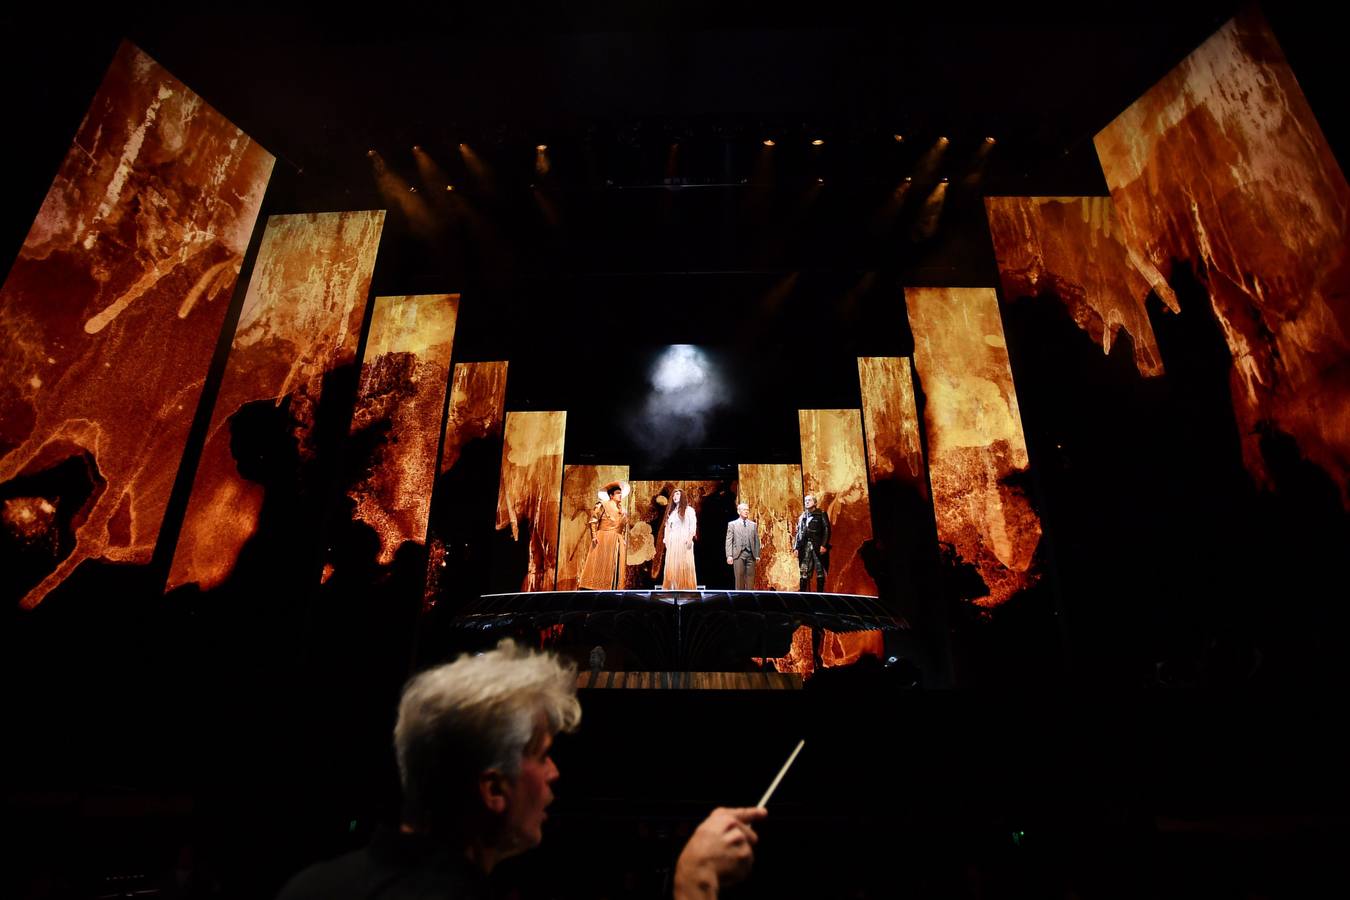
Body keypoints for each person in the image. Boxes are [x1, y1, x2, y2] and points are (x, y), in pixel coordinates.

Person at [277, 641, 766, 899]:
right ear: (494, 788)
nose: (554, 773)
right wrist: (694, 884)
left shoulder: (308, 886)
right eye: (542, 755)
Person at [578, 481, 627, 590]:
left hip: (617, 538)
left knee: (615, 564)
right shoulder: (603, 504)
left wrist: (622, 538)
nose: (620, 495)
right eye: (618, 493)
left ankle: (614, 587)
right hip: (604, 536)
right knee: (601, 562)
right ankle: (595, 586)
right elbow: (594, 520)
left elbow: (623, 526)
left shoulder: (623, 510)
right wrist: (594, 535)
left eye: (621, 493)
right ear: (611, 495)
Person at [661, 487, 699, 590]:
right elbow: (667, 528)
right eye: (673, 495)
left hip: (684, 540)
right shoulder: (671, 512)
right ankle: (673, 589)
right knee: (673, 567)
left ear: (682, 496)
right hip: (673, 541)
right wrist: (667, 541)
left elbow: (692, 526)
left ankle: (686, 589)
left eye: (677, 494)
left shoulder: (689, 510)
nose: (675, 497)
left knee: (684, 565)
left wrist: (690, 539)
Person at [793, 493, 831, 592]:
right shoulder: (803, 516)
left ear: (814, 502)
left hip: (817, 545)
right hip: (805, 546)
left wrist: (823, 545)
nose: (807, 502)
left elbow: (827, 529)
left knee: (819, 568)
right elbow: (798, 532)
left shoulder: (821, 514)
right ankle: (802, 593)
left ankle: (820, 593)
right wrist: (796, 547)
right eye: (805, 500)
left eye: (809, 500)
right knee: (804, 568)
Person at [724, 502, 761, 591]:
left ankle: (750, 599)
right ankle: (739, 599)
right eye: (744, 510)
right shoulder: (732, 524)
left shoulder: (753, 525)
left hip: (750, 554)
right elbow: (729, 540)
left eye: (747, 510)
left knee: (750, 579)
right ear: (739, 511)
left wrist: (757, 554)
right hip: (738, 554)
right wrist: (729, 555)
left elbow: (756, 540)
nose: (746, 511)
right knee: (739, 578)